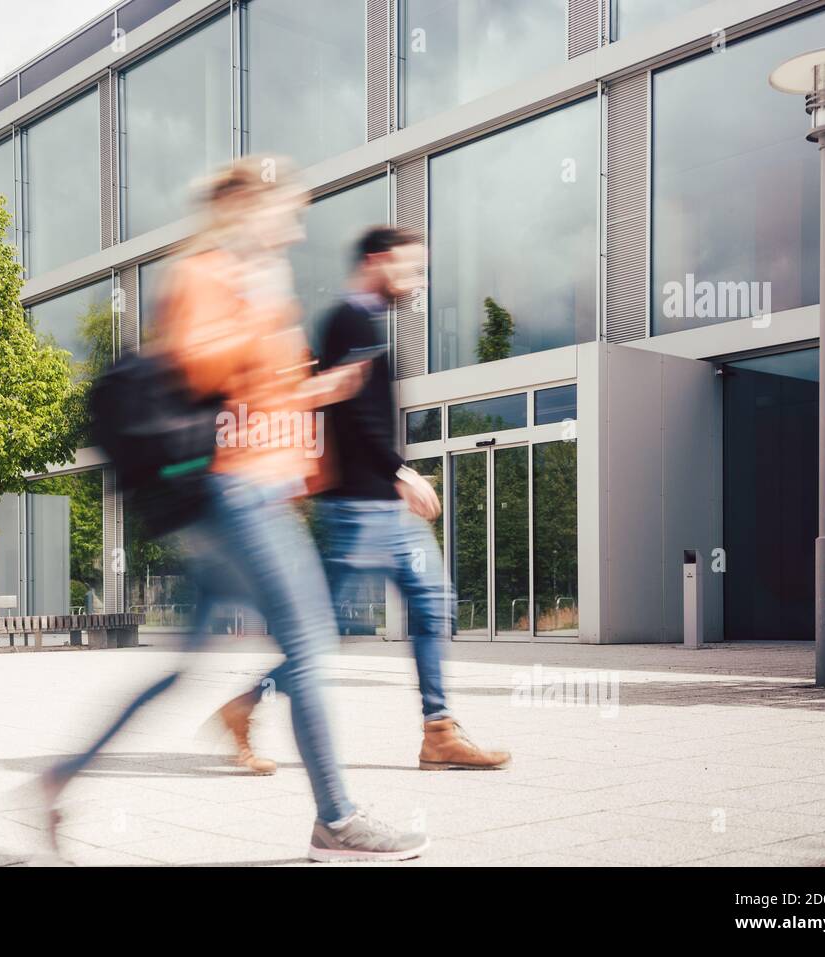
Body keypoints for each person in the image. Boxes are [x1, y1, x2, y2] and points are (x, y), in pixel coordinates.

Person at [43, 161, 429, 863]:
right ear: (250, 208)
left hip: (248, 489)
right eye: (291, 210)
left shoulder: (242, 279)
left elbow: (254, 395)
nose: (299, 225)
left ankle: (61, 776)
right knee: (310, 642)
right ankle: (337, 822)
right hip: (235, 492)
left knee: (187, 666)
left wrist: (314, 391)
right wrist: (259, 318)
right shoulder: (209, 273)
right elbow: (199, 366)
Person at [212, 226, 512, 773]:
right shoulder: (348, 320)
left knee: (431, 604)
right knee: (321, 633)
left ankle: (438, 730)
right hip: (356, 509)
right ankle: (244, 705)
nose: (416, 280)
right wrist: (400, 470)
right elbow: (351, 415)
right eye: (409, 268)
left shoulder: (364, 321)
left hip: (381, 508)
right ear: (377, 261)